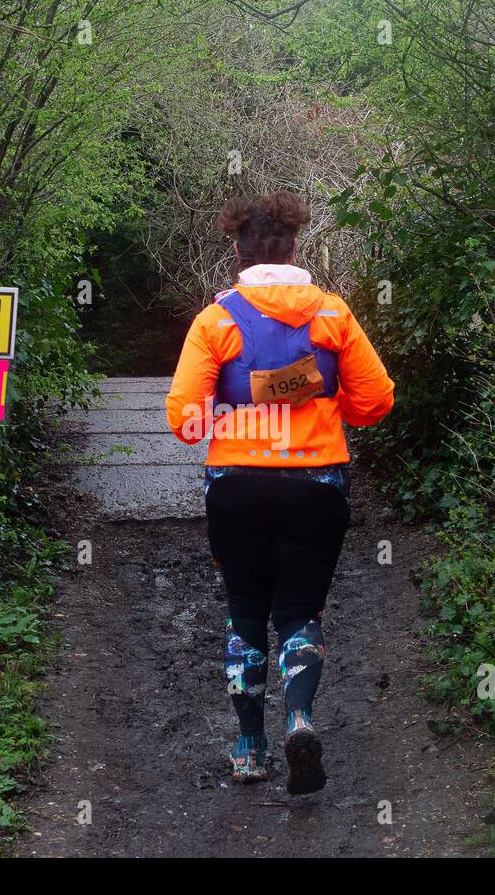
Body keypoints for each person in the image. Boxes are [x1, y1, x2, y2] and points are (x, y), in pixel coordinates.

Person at [165, 191, 395, 794]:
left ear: (238, 252)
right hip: (317, 485)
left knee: (245, 614)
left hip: (236, 487)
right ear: (295, 249)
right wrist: (322, 400)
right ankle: (299, 718)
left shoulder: (216, 320)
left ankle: (248, 748)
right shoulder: (333, 316)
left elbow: (185, 420)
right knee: (299, 611)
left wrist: (235, 407)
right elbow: (375, 403)